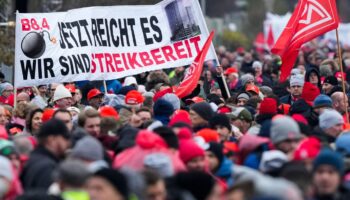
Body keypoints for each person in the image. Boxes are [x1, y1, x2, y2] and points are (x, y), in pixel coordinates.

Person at [20, 119, 70, 191]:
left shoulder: (32, 158)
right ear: (52, 139)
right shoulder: (48, 167)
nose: (68, 142)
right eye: (65, 138)